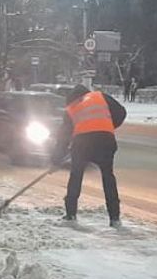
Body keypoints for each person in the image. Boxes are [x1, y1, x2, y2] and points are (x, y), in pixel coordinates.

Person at [53, 84, 125, 227]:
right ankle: (114, 217)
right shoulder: (101, 96)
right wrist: (108, 127)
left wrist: (56, 158)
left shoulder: (71, 108)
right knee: (108, 178)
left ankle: (70, 214)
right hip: (106, 141)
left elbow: (63, 137)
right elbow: (121, 112)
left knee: (76, 176)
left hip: (82, 144)